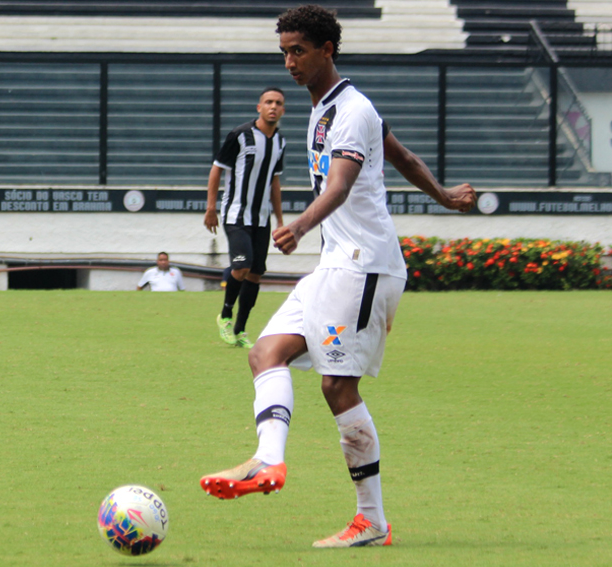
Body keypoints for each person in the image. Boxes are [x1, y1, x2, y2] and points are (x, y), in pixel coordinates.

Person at [199, 5, 477, 549]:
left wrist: (300, 225)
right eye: (284, 52)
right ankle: (268, 460)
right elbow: (402, 157)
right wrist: (444, 195)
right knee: (266, 353)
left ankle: (371, 521)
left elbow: (342, 186)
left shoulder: (352, 110)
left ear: (327, 49)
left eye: (298, 50)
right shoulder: (325, 107)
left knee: (337, 385)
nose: (289, 62)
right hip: (335, 264)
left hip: (364, 265)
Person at [205, 87, 287, 348]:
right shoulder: (240, 135)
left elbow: (274, 181)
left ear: (283, 110)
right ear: (259, 107)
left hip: (261, 219)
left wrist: (280, 221)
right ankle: (225, 316)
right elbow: (217, 169)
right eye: (268, 102)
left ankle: (240, 330)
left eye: (278, 103)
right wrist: (211, 208)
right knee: (241, 267)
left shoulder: (280, 142)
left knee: (255, 274)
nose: (273, 107)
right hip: (236, 215)